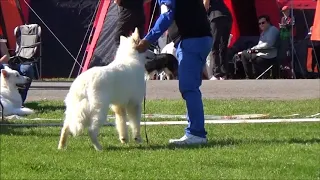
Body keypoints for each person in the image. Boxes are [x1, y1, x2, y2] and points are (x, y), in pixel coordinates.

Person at [135, 0, 213, 145]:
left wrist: (147, 40)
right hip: (202, 38)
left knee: (189, 88)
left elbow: (167, 15)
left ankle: (196, 133)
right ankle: (195, 131)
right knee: (192, 87)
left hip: (191, 40)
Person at [0, 36, 34, 104]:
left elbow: (6, 56)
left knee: (27, 69)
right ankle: (5, 103)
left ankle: (19, 102)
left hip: (6, 65)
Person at [204, 0, 233, 80]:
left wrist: (202, 16)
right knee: (223, 46)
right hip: (227, 16)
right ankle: (224, 73)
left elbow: (205, 4)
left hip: (216, 17)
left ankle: (217, 73)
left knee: (215, 45)